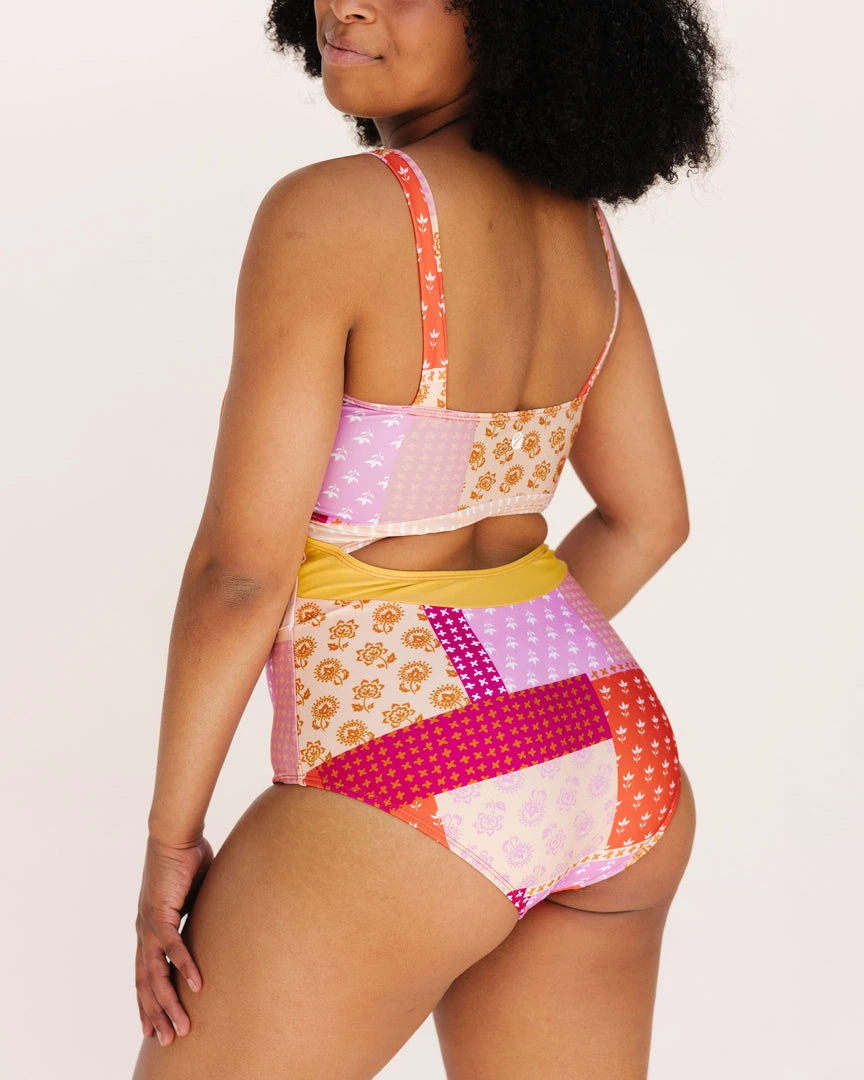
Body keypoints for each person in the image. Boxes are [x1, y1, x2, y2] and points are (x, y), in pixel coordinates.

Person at [133, 2, 724, 1077]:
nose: (346, 3)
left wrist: (170, 843)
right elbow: (650, 519)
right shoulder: (582, 232)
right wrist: (504, 692)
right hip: (611, 753)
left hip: (407, 768)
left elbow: (240, 577)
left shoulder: (334, 212)